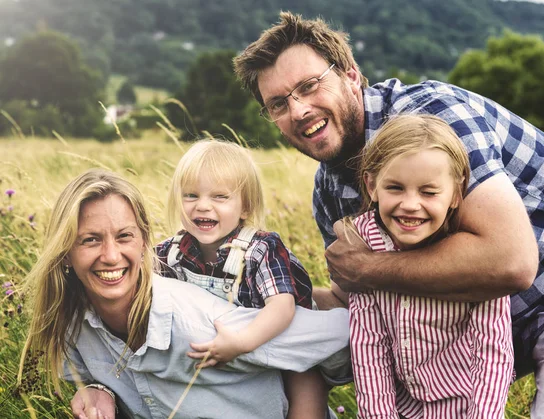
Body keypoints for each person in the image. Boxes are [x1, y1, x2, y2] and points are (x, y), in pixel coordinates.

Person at [234, 11, 544, 418]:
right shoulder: (329, 191)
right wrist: (260, 297)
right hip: (495, 327)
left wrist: (369, 269)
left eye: (309, 86)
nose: (299, 110)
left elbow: (512, 262)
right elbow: (354, 295)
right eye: (279, 104)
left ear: (351, 77)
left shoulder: (430, 119)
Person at [18, 168, 350, 419]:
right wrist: (96, 388)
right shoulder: (71, 325)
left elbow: (342, 335)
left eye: (124, 237)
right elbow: (91, 374)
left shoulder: (204, 324)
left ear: (144, 242)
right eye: (90, 239)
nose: (110, 255)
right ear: (65, 253)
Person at [348, 114, 513, 418]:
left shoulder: (474, 253)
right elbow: (369, 345)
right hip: (404, 406)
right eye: (395, 188)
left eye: (428, 191)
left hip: (467, 406)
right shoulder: (365, 242)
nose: (411, 204)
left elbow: (492, 351)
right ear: (372, 186)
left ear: (455, 194)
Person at [155, 139, 329, 418]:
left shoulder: (261, 249)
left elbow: (282, 307)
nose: (202, 206)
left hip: (281, 338)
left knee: (305, 380)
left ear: (245, 207)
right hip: (220, 354)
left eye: (219, 197)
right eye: (190, 196)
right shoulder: (170, 252)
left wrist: (242, 342)